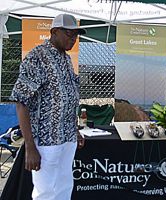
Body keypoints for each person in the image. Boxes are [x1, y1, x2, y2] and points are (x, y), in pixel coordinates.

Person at [10, 14, 86, 200]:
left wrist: (75, 130)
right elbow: (21, 101)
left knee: (64, 187)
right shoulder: (37, 57)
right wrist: (30, 146)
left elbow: (68, 98)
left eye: (76, 36)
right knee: (46, 192)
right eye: (69, 34)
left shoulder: (67, 60)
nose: (73, 39)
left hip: (67, 137)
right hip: (46, 140)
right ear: (54, 32)